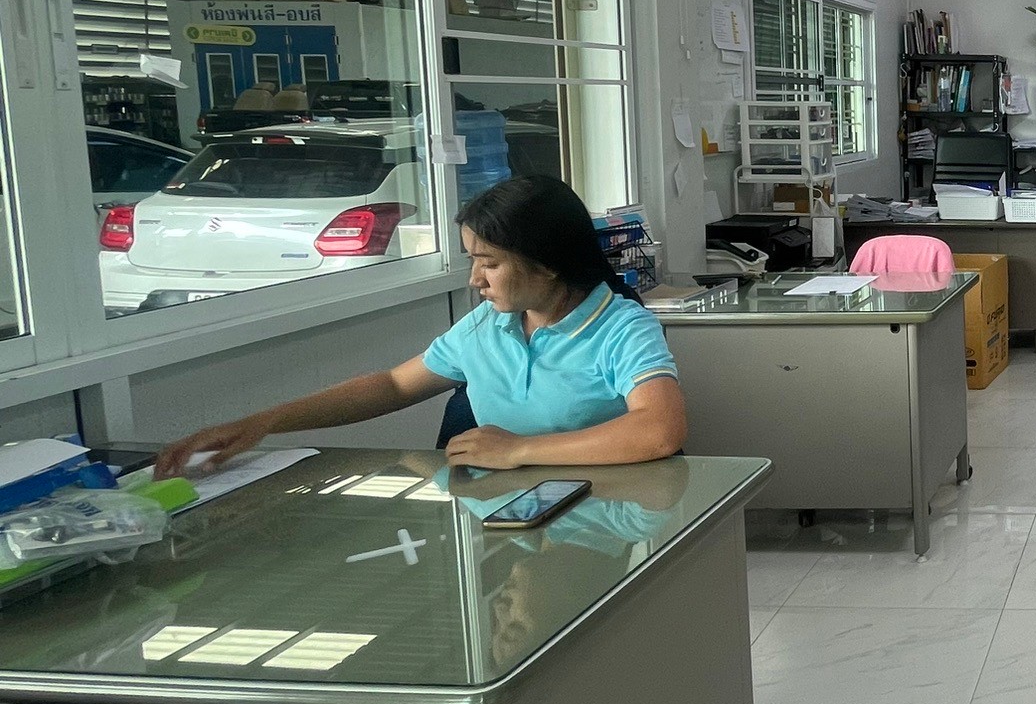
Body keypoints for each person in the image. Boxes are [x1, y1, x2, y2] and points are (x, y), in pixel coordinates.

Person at [155, 175, 687, 477]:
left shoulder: (621, 327)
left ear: (548, 263)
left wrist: (518, 450)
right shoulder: (487, 327)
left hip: (609, 514)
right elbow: (391, 386)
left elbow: (659, 430)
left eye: (490, 263)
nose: (475, 279)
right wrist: (264, 422)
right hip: (511, 512)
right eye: (471, 260)